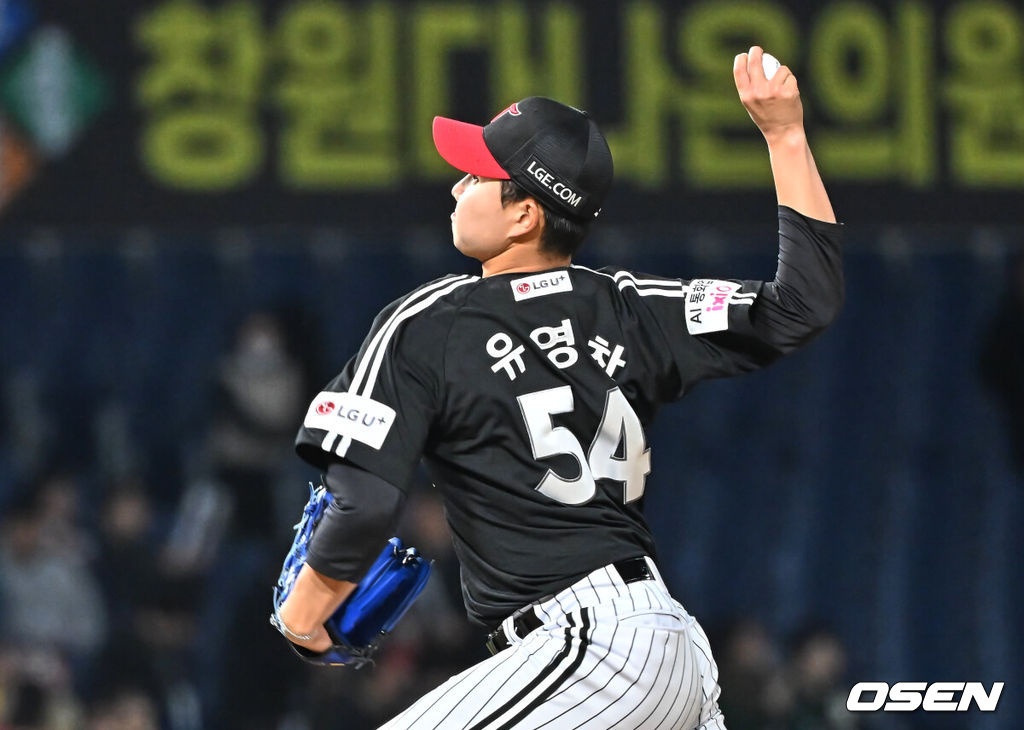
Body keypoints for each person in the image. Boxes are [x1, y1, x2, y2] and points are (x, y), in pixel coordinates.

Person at [276, 46, 843, 729]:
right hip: (672, 656)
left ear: (525, 214)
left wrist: (304, 619)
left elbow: (363, 504)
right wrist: (786, 136)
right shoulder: (633, 308)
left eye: (478, 174)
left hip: (590, 651)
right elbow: (801, 305)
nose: (457, 185)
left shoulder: (430, 323)